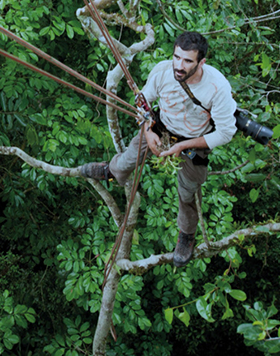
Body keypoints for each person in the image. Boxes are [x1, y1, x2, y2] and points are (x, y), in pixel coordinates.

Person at [79, 32, 237, 267]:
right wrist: (147, 131)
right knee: (126, 160)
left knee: (188, 191)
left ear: (201, 62)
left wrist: (182, 146)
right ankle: (110, 172)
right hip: (159, 126)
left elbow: (225, 132)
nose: (179, 66)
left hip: (192, 141)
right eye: (176, 57)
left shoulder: (217, 87)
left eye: (187, 61)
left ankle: (186, 235)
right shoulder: (164, 71)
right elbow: (143, 101)